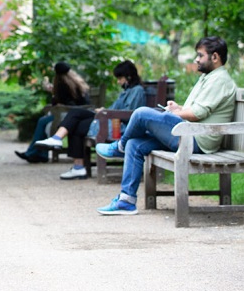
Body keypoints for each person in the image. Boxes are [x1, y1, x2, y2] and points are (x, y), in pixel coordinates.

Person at [96, 36, 237, 215]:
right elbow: (193, 110)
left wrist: (174, 114)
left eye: (200, 56)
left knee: (141, 113)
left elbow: (196, 114)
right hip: (187, 133)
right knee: (135, 144)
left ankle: (120, 146)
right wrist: (177, 108)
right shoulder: (208, 78)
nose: (196, 59)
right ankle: (126, 201)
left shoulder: (220, 80)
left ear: (215, 57)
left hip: (197, 140)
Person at [35, 60, 146, 180]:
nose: (119, 82)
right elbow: (116, 109)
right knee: (75, 118)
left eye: (120, 78)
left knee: (75, 119)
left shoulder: (137, 91)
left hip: (118, 127)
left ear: (128, 76)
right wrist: (104, 110)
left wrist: (106, 112)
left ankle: (66, 151)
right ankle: (74, 163)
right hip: (109, 120)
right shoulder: (128, 91)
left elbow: (129, 114)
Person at [14, 62, 90, 164]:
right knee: (44, 121)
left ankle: (33, 153)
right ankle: (40, 154)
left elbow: (59, 103)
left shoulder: (62, 84)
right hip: (79, 113)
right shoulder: (78, 82)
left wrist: (53, 93)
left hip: (67, 115)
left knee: (42, 121)